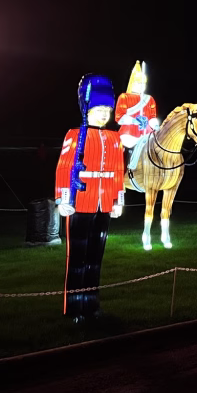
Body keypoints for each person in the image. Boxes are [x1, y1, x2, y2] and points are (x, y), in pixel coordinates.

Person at [55, 74, 124, 322]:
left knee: (95, 258)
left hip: (103, 204)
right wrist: (64, 198)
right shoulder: (74, 135)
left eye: (108, 108)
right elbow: (64, 167)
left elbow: (118, 172)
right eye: (99, 108)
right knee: (77, 259)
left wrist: (118, 200)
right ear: (88, 108)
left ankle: (91, 305)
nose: (105, 113)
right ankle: (74, 308)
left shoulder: (114, 138)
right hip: (81, 202)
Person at [115, 60, 160, 173]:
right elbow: (119, 117)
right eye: (138, 83)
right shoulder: (124, 97)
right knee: (126, 146)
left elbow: (152, 116)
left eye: (143, 84)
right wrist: (134, 121)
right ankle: (123, 171)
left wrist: (155, 125)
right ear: (132, 83)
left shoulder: (149, 99)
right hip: (129, 131)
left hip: (146, 131)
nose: (141, 86)